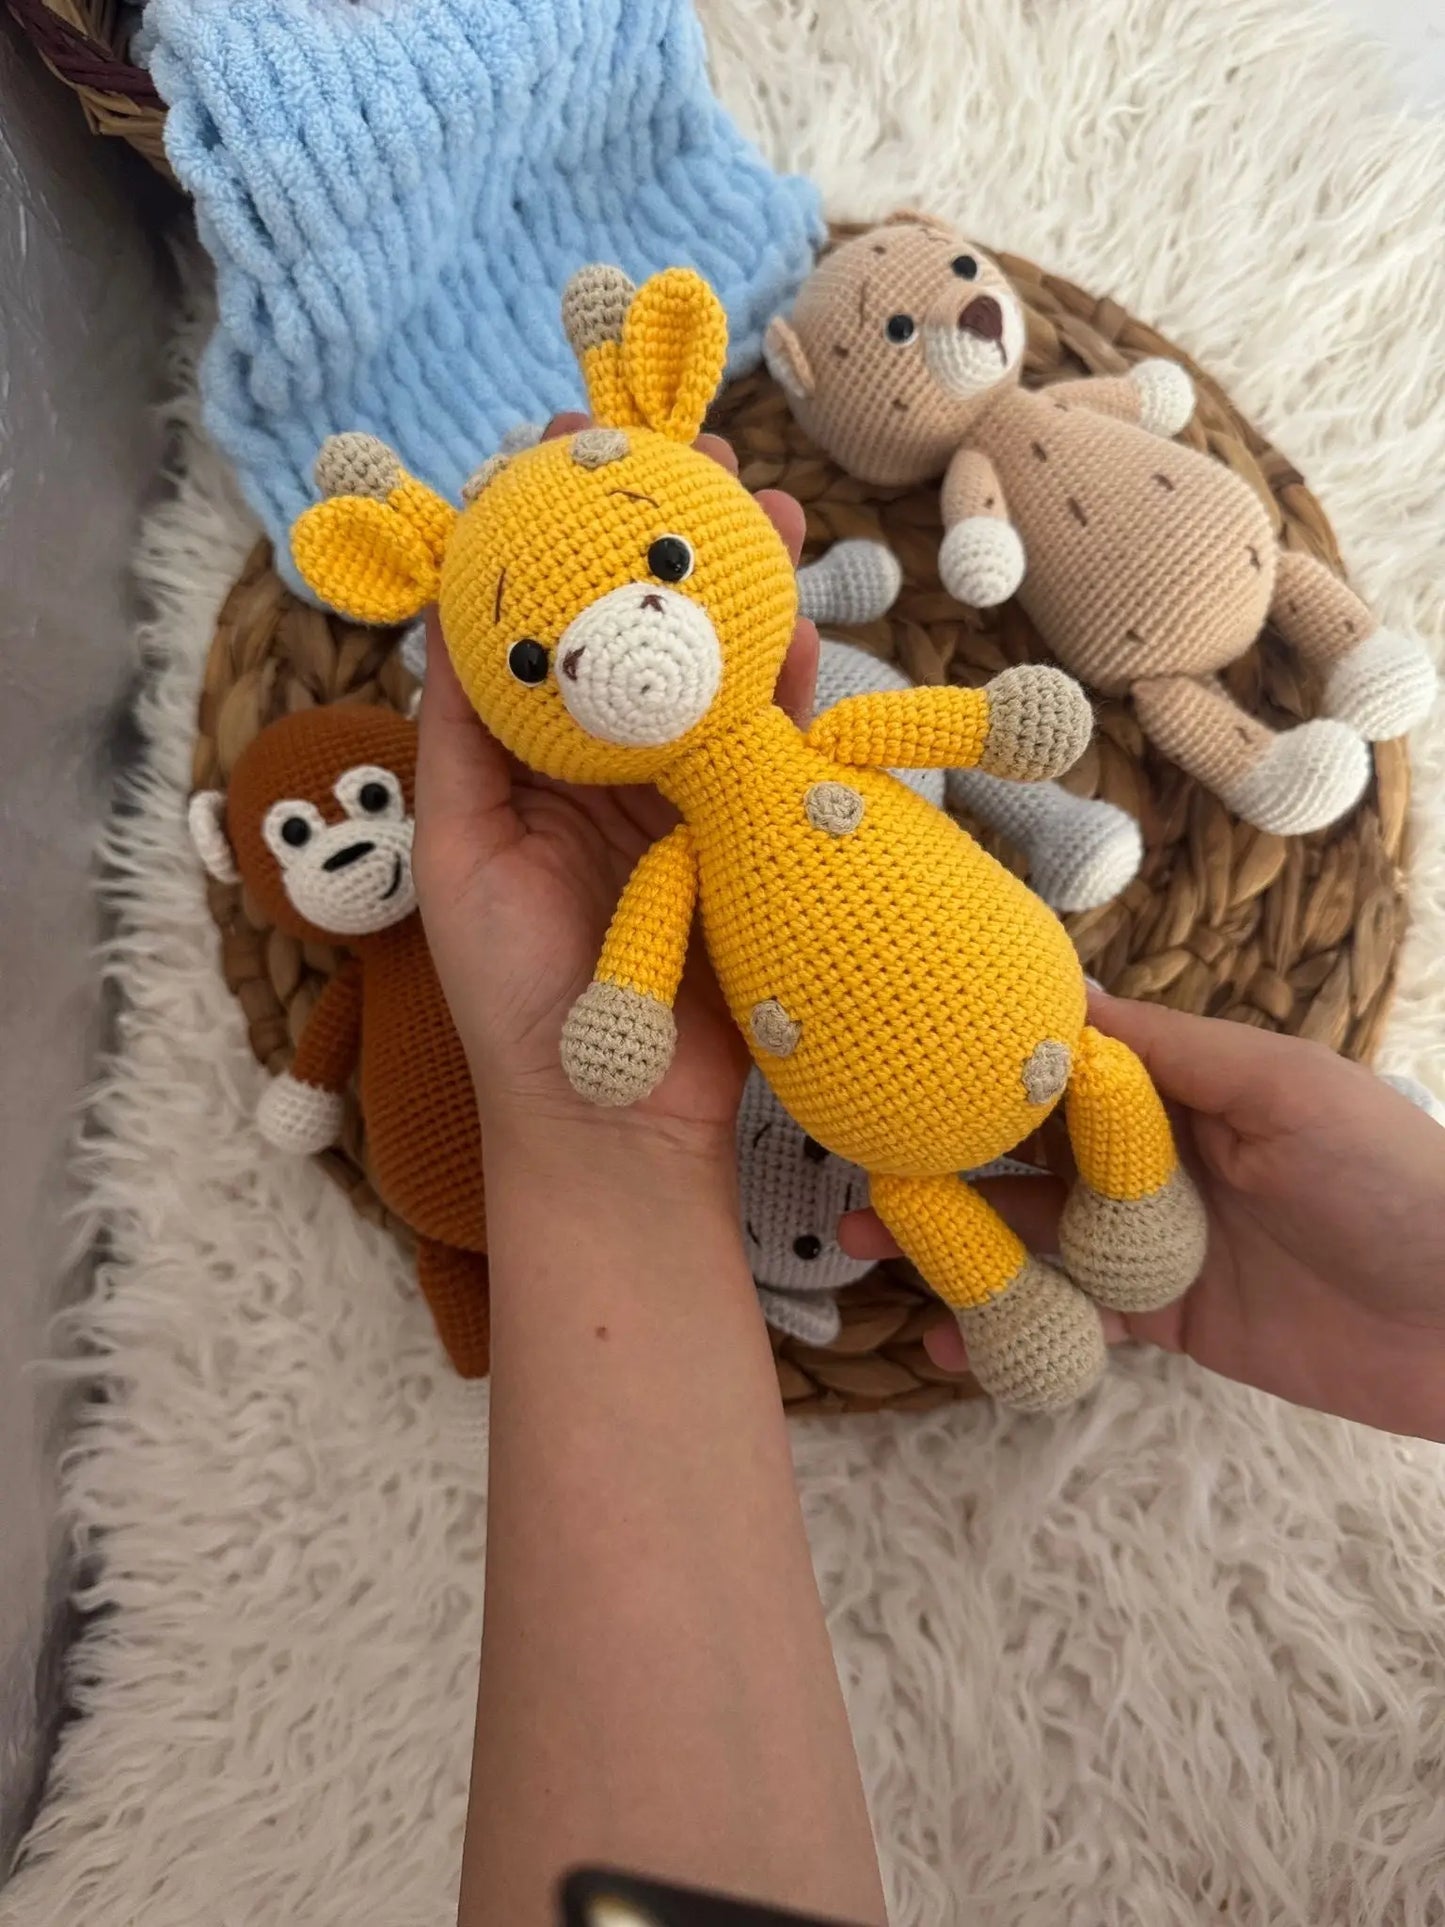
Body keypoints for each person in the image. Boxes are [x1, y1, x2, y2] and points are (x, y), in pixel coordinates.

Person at [413, 424, 1445, 1926]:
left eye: (661, 568)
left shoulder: (814, 736)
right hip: (897, 1106)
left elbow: (944, 734)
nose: (632, 641)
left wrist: (998, 733)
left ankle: (1137, 1202)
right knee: (918, 1177)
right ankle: (1040, 1266)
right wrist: (614, 1053)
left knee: (1095, 1076)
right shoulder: (676, 856)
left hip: (1038, 1026)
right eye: (552, 650)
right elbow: (640, 957)